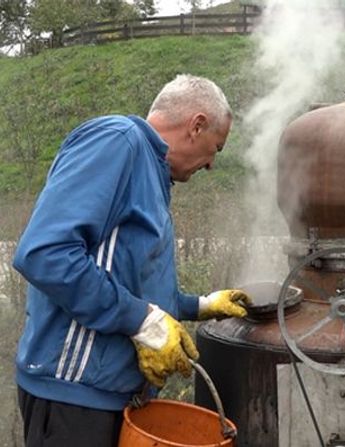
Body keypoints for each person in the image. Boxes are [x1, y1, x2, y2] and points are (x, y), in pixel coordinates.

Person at [12, 74, 251, 447]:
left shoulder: (153, 173)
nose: (210, 166)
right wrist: (142, 321)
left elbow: (126, 279)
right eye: (216, 148)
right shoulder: (118, 141)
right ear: (197, 125)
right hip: (72, 400)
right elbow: (45, 254)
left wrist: (199, 305)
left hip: (113, 400)